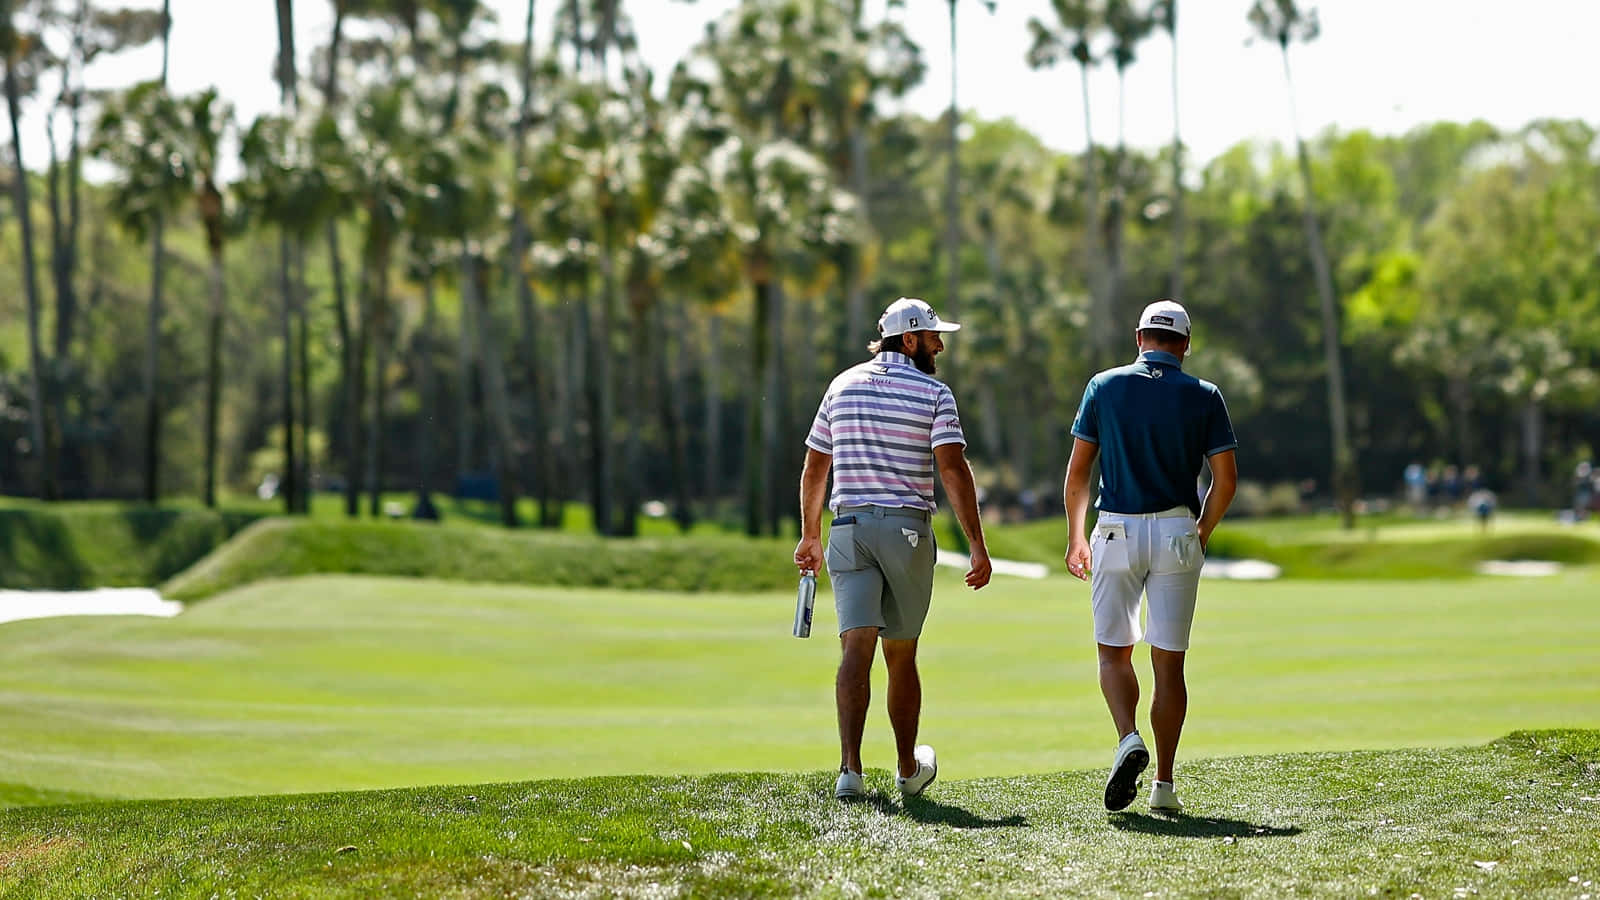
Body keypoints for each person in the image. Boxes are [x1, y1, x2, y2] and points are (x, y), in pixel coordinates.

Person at [794, 296, 993, 802]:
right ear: (909, 339)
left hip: (848, 529)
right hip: (905, 532)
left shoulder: (841, 385)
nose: (940, 345)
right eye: (933, 337)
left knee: (854, 648)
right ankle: (907, 769)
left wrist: (810, 535)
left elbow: (817, 467)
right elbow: (952, 469)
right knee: (900, 654)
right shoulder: (934, 392)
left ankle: (850, 772)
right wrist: (976, 544)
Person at [1063, 299, 1238, 813]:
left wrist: (1076, 536)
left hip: (1115, 529)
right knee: (1169, 662)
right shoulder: (1205, 394)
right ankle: (1163, 782)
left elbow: (1078, 473)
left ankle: (1126, 738)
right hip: (1177, 532)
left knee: (1113, 651)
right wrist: (1200, 530)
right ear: (1184, 345)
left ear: (1139, 338)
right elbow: (1225, 481)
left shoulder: (1104, 385)